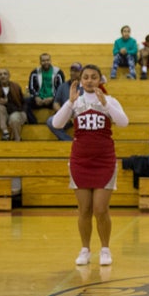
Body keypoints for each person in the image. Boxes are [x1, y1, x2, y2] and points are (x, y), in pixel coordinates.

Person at [51, 64, 128, 267]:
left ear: (100, 80)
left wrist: (106, 105)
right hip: (80, 161)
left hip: (104, 160)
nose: (90, 80)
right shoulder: (76, 102)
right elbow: (57, 124)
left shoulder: (109, 100)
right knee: (84, 209)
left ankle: (105, 249)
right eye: (86, 77)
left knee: (100, 209)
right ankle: (85, 249)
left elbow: (124, 122)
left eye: (94, 77)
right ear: (81, 80)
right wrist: (69, 102)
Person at [27, 52, 68, 139]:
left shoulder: (58, 72)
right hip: (39, 99)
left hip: (53, 99)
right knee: (25, 102)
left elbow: (60, 88)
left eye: (47, 60)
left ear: (50, 61)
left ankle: (59, 125)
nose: (46, 62)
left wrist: (53, 97)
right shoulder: (35, 72)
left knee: (63, 103)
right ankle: (33, 123)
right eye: (43, 61)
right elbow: (31, 87)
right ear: (40, 62)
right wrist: (36, 97)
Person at [0, 68, 27, 141]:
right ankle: (5, 132)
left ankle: (17, 139)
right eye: (0, 74)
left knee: (14, 118)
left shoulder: (16, 87)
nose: (3, 76)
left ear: (9, 76)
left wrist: (7, 103)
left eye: (5, 74)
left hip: (16, 112)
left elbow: (22, 104)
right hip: (1, 116)